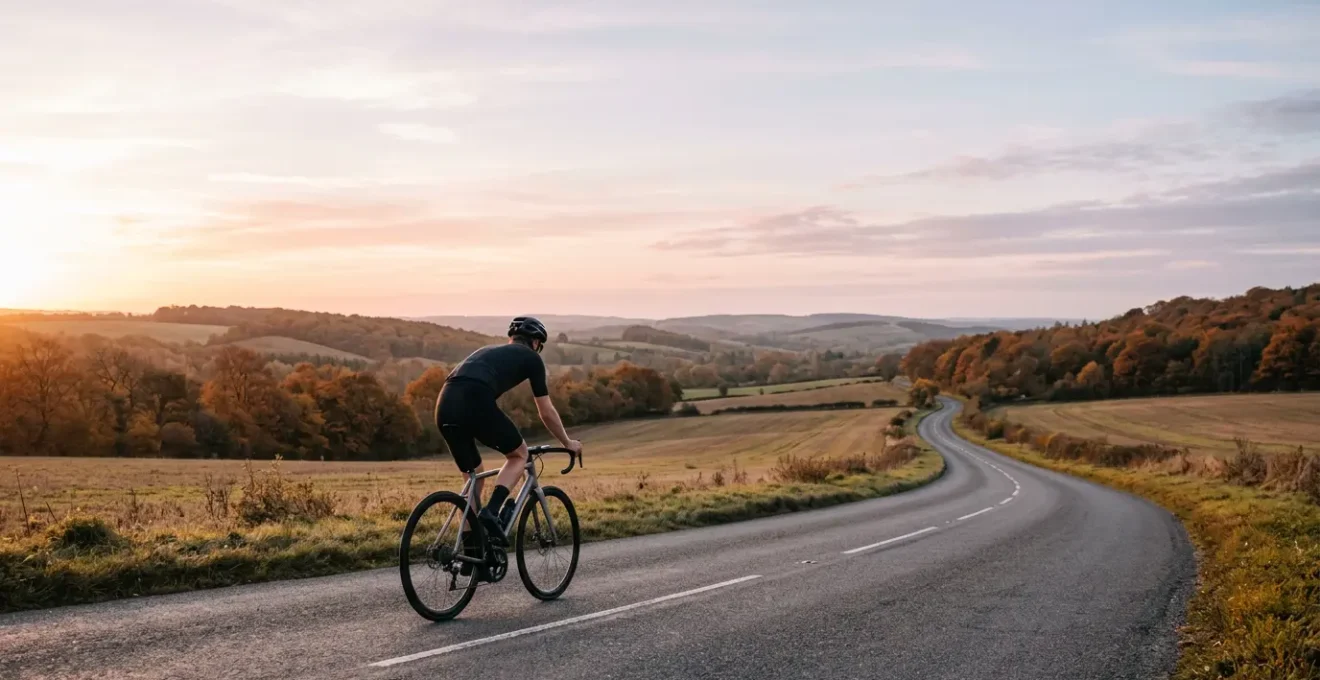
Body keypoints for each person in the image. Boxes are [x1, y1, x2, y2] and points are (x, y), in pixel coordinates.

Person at [435, 316, 583, 554]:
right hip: (474, 398)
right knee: (519, 455)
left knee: (474, 478)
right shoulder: (532, 358)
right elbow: (545, 411)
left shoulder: (488, 350)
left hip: (444, 404)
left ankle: (471, 556)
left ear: (511, 339)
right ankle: (491, 512)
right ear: (535, 342)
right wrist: (567, 442)